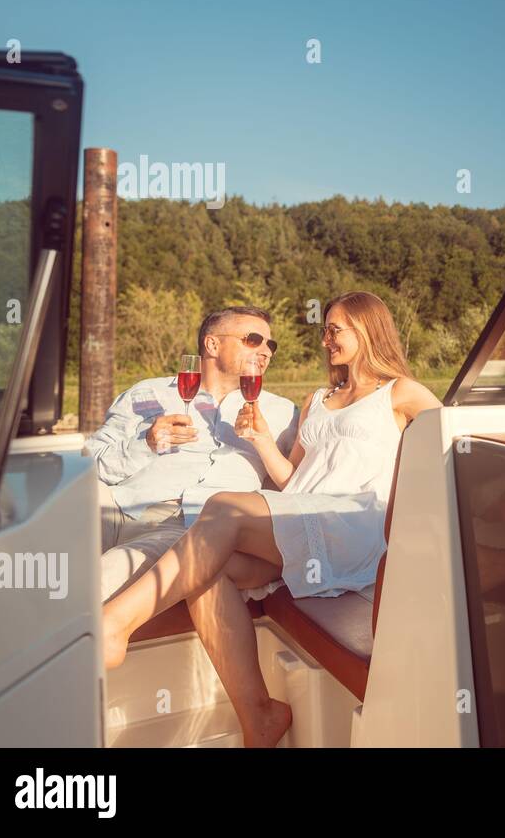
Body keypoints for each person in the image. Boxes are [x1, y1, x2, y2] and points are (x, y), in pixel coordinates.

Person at [100, 291, 442, 747]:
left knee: (223, 503)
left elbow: (453, 443)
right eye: (325, 330)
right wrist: (262, 440)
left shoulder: (401, 392)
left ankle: (114, 624)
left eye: (334, 329)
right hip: (302, 519)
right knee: (209, 572)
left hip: (353, 521)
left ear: (367, 329)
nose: (325, 340)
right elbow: (294, 479)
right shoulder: (320, 398)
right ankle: (259, 716)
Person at [85, 306, 298, 601]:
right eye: (253, 340)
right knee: (49, 541)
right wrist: (145, 443)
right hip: (118, 506)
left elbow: (301, 486)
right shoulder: (149, 393)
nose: (266, 351)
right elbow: (89, 465)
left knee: (95, 581)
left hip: (192, 524)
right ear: (212, 344)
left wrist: (263, 442)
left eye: (270, 344)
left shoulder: (282, 412)